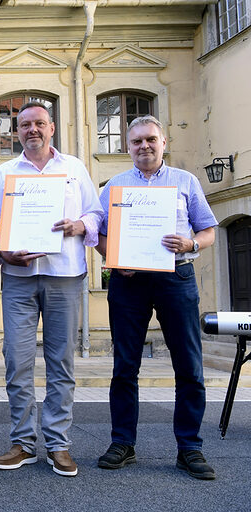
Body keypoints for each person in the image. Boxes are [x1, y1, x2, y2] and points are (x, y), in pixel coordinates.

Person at [0, 103, 102, 477]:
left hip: (65, 276)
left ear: (51, 128)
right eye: (24, 125)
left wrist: (79, 225)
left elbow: (96, 214)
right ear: (16, 131)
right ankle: (22, 443)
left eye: (38, 124)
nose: (32, 130)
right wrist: (2, 250)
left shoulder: (74, 168)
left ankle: (58, 444)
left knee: (60, 362)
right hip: (19, 279)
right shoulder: (4, 173)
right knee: (17, 362)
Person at [96, 115, 217, 480]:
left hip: (176, 276)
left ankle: (190, 448)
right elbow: (97, 235)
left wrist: (191, 243)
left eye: (151, 139)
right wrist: (113, 256)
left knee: (189, 366)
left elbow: (208, 229)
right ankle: (123, 443)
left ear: (164, 142)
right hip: (128, 281)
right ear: (127, 147)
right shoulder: (114, 186)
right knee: (125, 366)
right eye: (137, 142)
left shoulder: (185, 182)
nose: (144, 146)